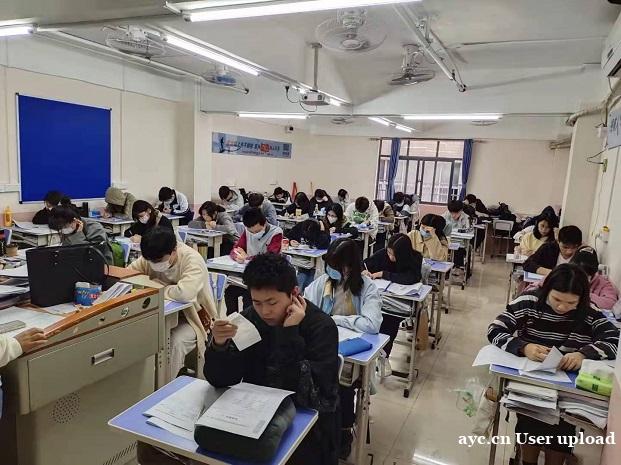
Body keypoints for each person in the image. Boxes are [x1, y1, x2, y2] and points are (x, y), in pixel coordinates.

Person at [203, 254, 339, 465]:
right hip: (251, 415)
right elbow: (221, 380)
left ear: (294, 293)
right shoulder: (250, 319)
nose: (265, 311)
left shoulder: (321, 327)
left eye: (272, 302)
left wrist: (289, 333)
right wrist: (219, 346)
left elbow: (311, 397)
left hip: (307, 426)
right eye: (257, 302)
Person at [488, 264, 619, 465]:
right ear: (547, 289)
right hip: (531, 382)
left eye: (571, 303)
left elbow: (614, 339)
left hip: (567, 390)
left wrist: (583, 354)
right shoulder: (529, 302)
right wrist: (524, 347)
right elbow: (495, 330)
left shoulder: (588, 312)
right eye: (556, 299)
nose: (562, 307)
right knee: (530, 423)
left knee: (563, 430)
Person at [304, 238, 382, 459]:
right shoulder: (322, 283)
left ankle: (344, 432)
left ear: (350, 266)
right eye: (330, 264)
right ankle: (316, 428)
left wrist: (334, 320)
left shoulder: (367, 287)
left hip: (351, 351)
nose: (331, 270)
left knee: (342, 388)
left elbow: (372, 324)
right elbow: (306, 309)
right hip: (321, 347)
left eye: (337, 266)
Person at [130, 227, 217, 377]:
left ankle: (166, 384)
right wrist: (167, 289)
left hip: (194, 318)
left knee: (175, 342)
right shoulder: (151, 256)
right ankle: (147, 382)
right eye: (150, 261)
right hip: (162, 316)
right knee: (141, 337)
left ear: (174, 250)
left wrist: (159, 288)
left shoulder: (192, 259)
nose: (154, 264)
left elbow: (185, 293)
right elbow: (127, 276)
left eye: (159, 261)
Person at [364, 234, 422, 365]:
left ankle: (383, 357)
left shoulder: (415, 258)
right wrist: (364, 271)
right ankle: (371, 355)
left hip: (401, 304)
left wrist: (383, 274)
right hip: (381, 299)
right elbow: (365, 264)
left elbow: (411, 278)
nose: (390, 257)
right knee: (369, 317)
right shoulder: (383, 254)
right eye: (389, 252)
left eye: (393, 254)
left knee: (389, 320)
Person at [225, 208, 283, 314]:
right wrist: (237, 256)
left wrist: (247, 258)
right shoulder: (247, 231)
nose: (254, 234)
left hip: (266, 276)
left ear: (264, 223)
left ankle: (249, 321)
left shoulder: (276, 233)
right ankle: (233, 320)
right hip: (248, 275)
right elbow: (236, 248)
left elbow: (271, 256)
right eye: (251, 232)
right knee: (229, 292)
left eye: (257, 231)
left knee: (249, 296)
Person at [49, 203, 113, 264]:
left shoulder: (95, 228)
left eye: (64, 226)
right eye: (59, 228)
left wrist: (78, 234)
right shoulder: (70, 227)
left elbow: (92, 254)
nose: (62, 229)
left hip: (101, 264)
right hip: (77, 263)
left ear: (74, 221)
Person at [286, 219, 331, 291]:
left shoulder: (320, 229)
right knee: (300, 278)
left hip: (313, 263)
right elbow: (288, 236)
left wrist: (322, 231)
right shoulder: (300, 226)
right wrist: (291, 241)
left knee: (308, 279)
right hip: (299, 260)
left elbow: (324, 245)